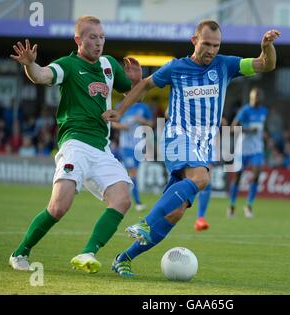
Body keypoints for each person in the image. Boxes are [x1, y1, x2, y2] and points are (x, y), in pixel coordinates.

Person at [102, 20, 280, 276]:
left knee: (174, 213)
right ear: (194, 40)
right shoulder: (176, 67)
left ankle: (123, 258)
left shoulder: (225, 65)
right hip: (176, 137)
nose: (211, 50)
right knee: (202, 177)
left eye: (216, 45)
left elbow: (267, 64)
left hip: (202, 147)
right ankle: (145, 222)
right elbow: (145, 85)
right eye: (206, 44)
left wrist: (267, 46)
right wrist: (119, 110)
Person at [8, 15, 142, 273]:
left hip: (102, 149)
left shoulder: (109, 65)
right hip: (75, 145)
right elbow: (42, 76)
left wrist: (135, 81)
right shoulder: (68, 64)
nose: (99, 42)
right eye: (93, 37)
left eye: (102, 37)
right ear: (79, 40)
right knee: (59, 207)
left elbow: (129, 94)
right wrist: (30, 65)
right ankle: (20, 252)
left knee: (122, 199)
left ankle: (88, 252)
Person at [227, 87, 268, 219]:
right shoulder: (245, 110)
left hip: (257, 149)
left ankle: (248, 205)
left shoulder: (264, 111)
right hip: (242, 148)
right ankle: (232, 205)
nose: (256, 99)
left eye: (258, 97)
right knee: (238, 177)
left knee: (256, 175)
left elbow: (262, 128)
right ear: (251, 97)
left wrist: (266, 136)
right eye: (254, 97)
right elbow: (233, 128)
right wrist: (249, 130)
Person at [112, 101, 154, 211]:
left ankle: (122, 199)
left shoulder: (143, 107)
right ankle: (137, 202)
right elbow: (112, 123)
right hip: (126, 146)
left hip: (139, 146)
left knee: (132, 175)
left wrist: (142, 121)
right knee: (133, 172)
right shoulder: (120, 106)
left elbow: (151, 124)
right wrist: (121, 126)